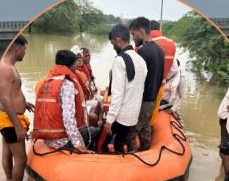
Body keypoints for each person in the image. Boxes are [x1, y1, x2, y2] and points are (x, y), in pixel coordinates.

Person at [33, 50, 99, 152]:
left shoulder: (46, 80)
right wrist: (78, 145)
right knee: (100, 132)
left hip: (49, 138)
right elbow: (68, 118)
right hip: (63, 140)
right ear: (72, 65)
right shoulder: (67, 84)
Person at [0, 35, 34, 181]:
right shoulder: (6, 68)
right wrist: (18, 126)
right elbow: (4, 98)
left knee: (7, 151)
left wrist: (23, 103)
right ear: (18, 48)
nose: (25, 53)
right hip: (10, 120)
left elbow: (11, 92)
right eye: (25, 50)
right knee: (21, 159)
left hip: (7, 117)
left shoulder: (6, 66)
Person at [103, 24, 147, 153]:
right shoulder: (140, 60)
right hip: (132, 116)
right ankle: (121, 162)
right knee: (119, 144)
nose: (113, 47)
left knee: (102, 144)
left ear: (118, 40)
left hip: (120, 116)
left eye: (112, 43)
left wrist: (109, 120)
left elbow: (117, 94)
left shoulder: (120, 60)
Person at [128, 17, 164, 151]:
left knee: (131, 134)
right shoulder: (159, 51)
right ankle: (145, 152)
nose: (133, 38)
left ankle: (133, 159)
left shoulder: (143, 52)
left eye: (133, 34)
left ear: (141, 31)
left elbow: (137, 81)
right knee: (145, 129)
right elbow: (160, 76)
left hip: (143, 101)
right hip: (153, 99)